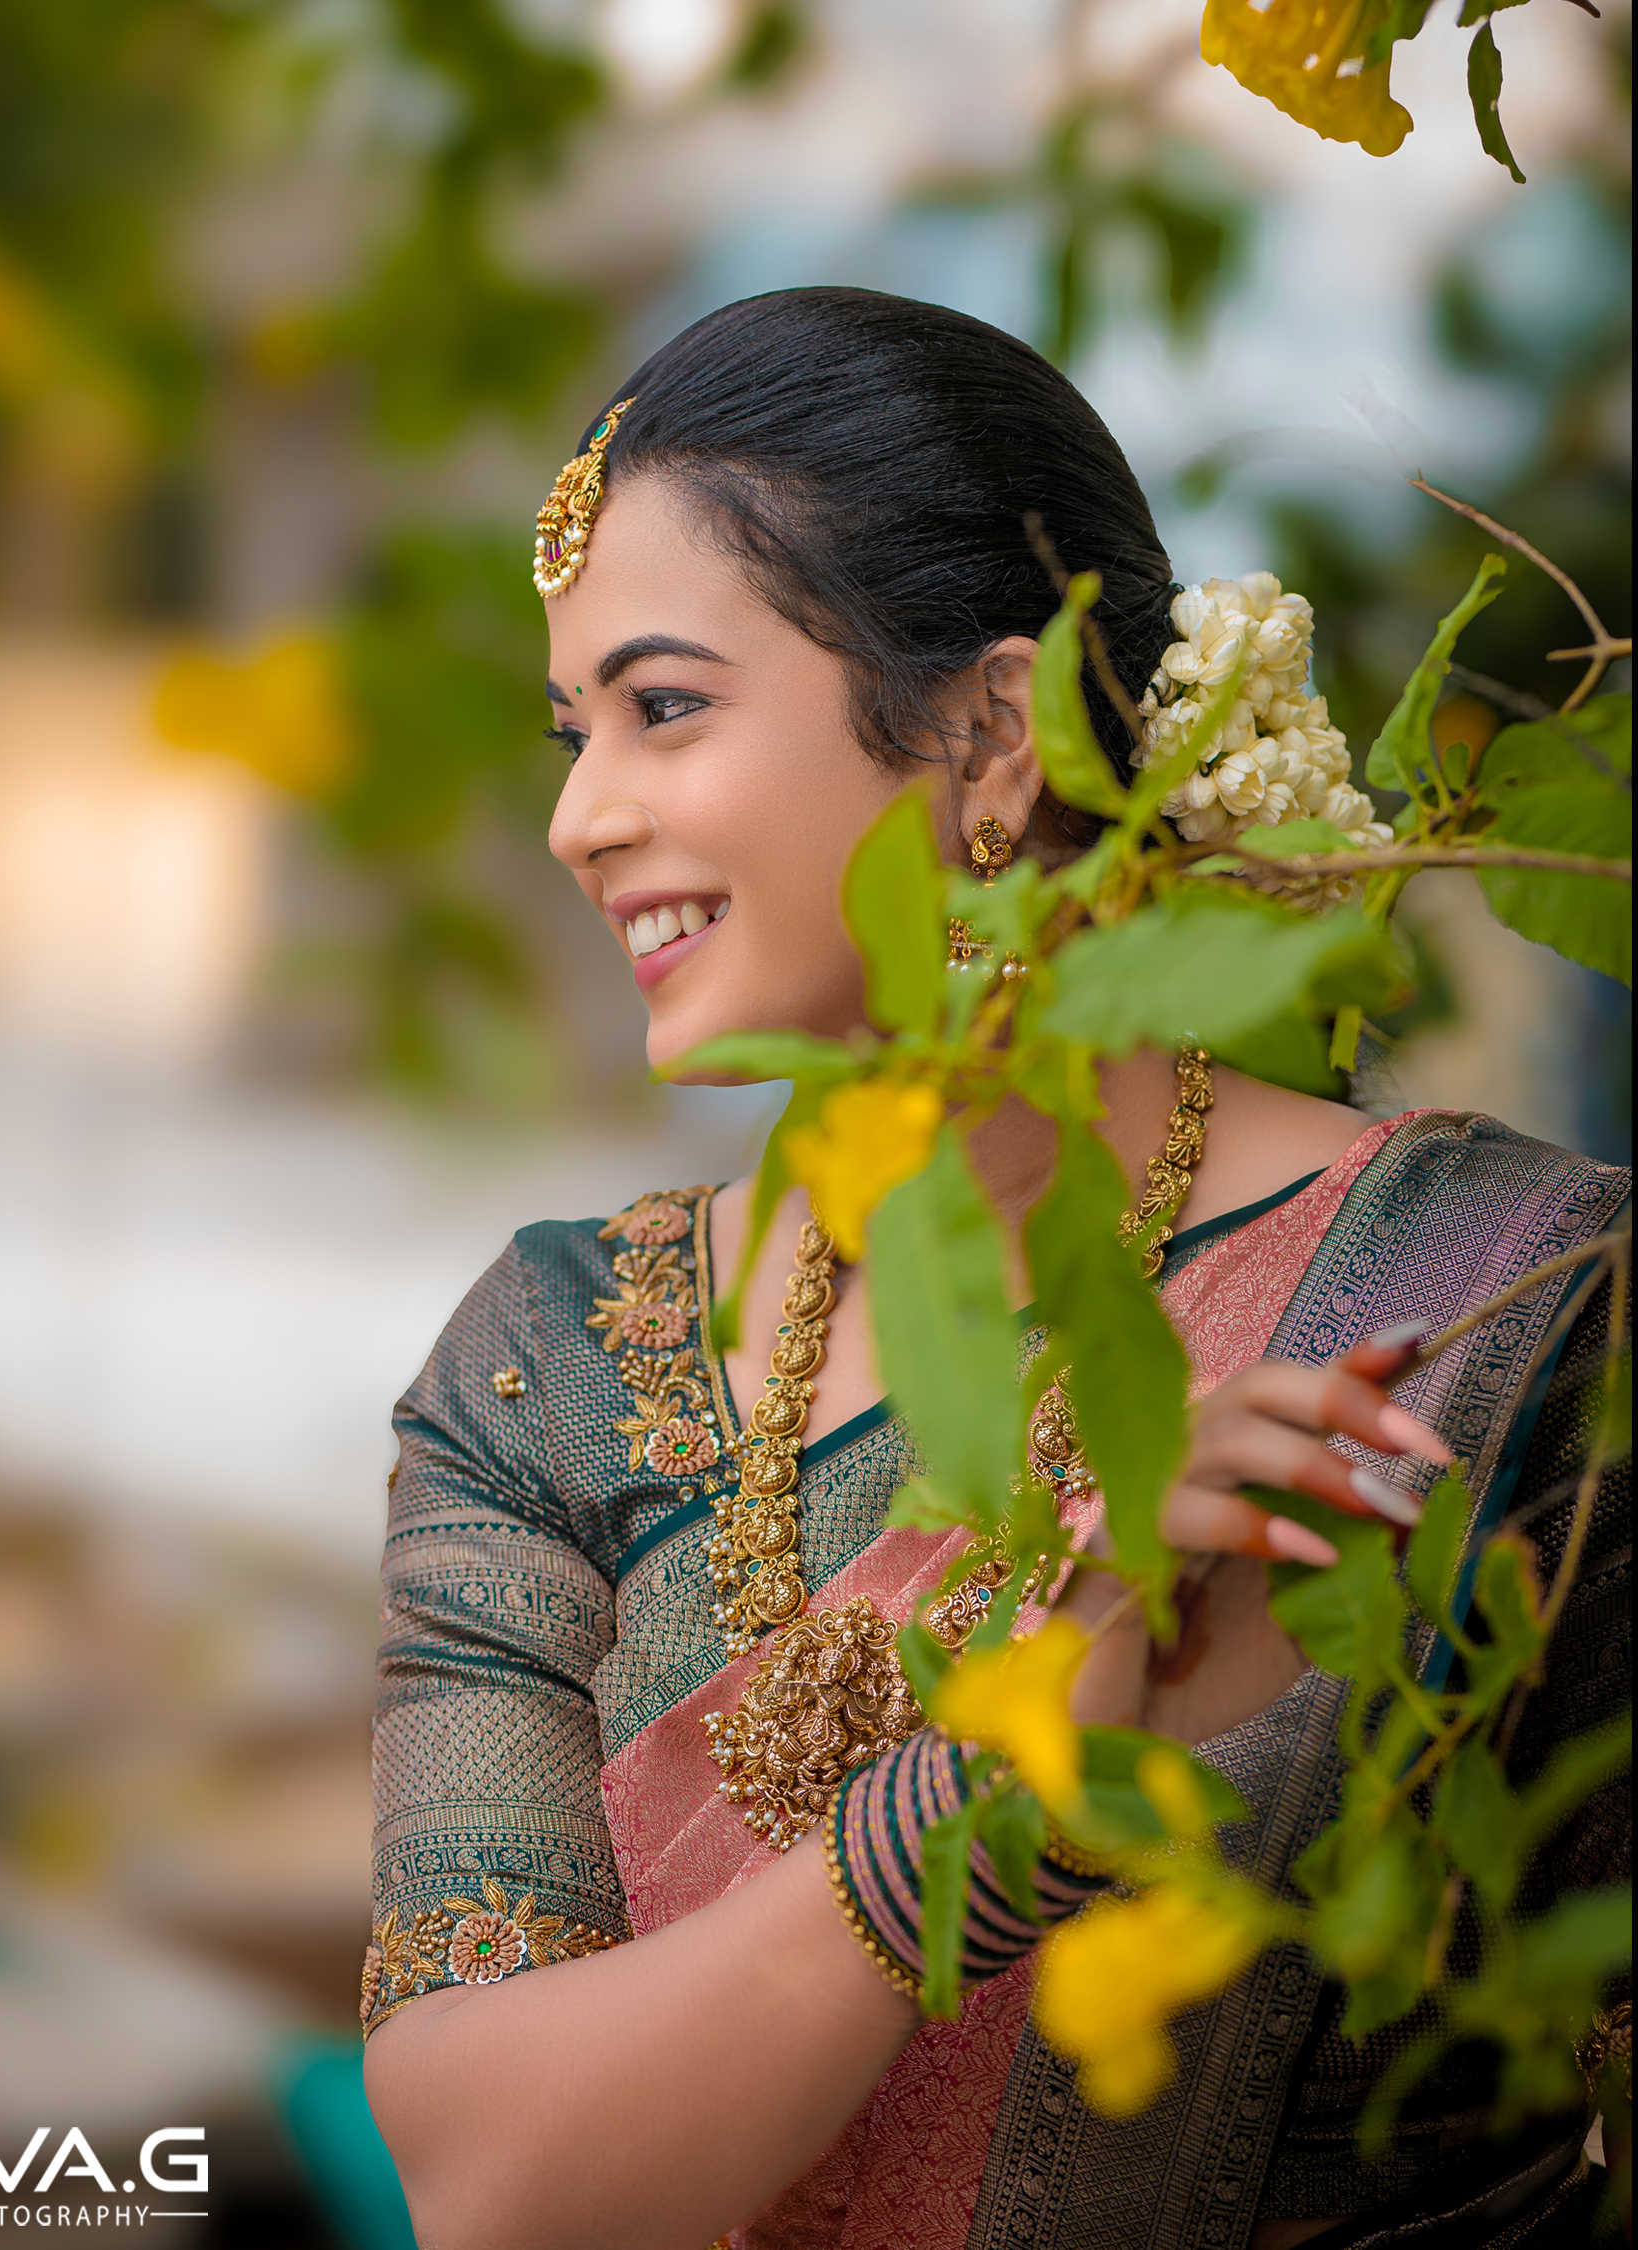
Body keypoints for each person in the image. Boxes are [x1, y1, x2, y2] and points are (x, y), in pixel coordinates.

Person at [356, 288, 1630, 2250]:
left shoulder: (1495, 1305)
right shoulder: (554, 1363)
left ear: (993, 731)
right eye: (573, 730)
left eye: (663, 708)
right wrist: (1000, 1787)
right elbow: (491, 2184)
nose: (578, 818)